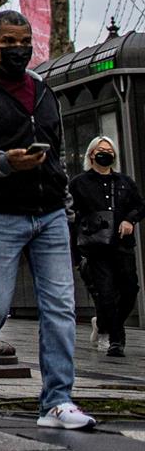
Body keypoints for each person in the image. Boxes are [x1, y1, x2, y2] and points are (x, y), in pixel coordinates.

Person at [0, 10, 94, 427]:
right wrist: (4, 163)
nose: (17, 49)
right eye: (8, 41)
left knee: (61, 309)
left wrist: (63, 202)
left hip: (48, 215)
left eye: (23, 41)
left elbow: (59, 153)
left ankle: (57, 400)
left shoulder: (44, 91)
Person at [71, 136, 143, 357]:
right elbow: (70, 216)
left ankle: (103, 322)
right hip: (96, 248)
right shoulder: (79, 183)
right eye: (101, 150)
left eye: (109, 150)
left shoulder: (124, 182)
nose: (106, 153)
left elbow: (140, 205)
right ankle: (116, 340)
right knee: (106, 293)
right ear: (92, 154)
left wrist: (129, 219)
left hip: (122, 246)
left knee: (130, 289)